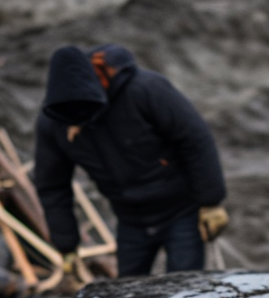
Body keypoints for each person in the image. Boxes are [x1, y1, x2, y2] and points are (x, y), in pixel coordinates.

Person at [34, 44, 229, 278]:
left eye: (84, 112)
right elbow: (53, 186)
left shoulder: (146, 90)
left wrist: (211, 202)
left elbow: (196, 139)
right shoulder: (54, 123)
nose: (79, 120)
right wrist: (67, 247)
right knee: (127, 294)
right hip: (130, 220)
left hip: (181, 213)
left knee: (184, 291)